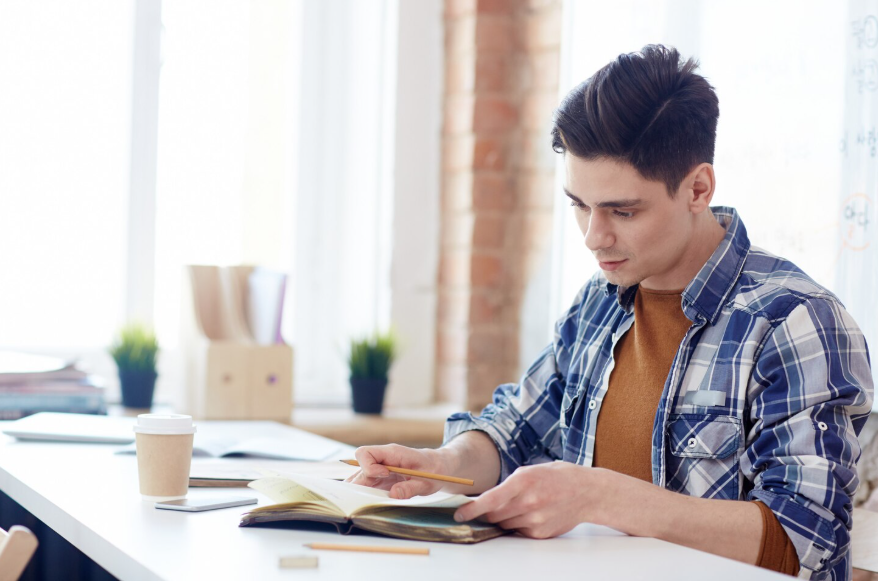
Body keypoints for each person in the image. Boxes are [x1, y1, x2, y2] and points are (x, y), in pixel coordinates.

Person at [347, 45, 873, 580]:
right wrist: (447, 465)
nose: (595, 237)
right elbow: (517, 430)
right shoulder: (600, 301)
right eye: (579, 205)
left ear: (697, 188)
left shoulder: (795, 321)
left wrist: (600, 496)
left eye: (623, 211)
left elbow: (805, 540)